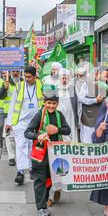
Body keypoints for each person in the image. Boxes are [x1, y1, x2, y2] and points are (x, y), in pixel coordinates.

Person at [24, 88, 71, 216]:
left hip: (55, 155)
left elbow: (67, 129)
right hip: (40, 155)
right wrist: (38, 136)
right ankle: (41, 209)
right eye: (49, 103)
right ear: (45, 103)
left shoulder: (59, 115)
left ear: (57, 104)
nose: (51, 106)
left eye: (54, 103)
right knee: (40, 181)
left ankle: (43, 202)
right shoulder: (39, 115)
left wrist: (58, 130)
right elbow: (27, 132)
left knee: (50, 180)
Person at [6, 66, 44, 185]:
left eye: (29, 77)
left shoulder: (41, 85)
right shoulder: (19, 87)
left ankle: (32, 169)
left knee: (33, 146)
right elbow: (13, 105)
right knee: (21, 145)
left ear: (35, 76)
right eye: (25, 76)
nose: (26, 79)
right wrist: (9, 122)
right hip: (21, 122)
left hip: (36, 122)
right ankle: (20, 172)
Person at [47, 68, 78, 206]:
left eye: (67, 77)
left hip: (69, 130)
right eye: (62, 77)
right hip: (55, 132)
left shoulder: (73, 90)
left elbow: (79, 106)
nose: (64, 79)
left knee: (63, 163)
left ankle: (58, 188)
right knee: (52, 162)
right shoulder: (54, 91)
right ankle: (50, 193)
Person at [78, 67, 108, 143]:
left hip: (101, 121)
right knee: (88, 143)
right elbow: (80, 98)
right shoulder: (87, 84)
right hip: (88, 121)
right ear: (98, 74)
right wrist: (95, 100)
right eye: (106, 76)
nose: (107, 79)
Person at [0, 70, 21, 166]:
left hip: (21, 114)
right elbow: (1, 97)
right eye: (13, 71)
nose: (15, 73)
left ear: (19, 73)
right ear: (11, 73)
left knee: (20, 137)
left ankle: (20, 156)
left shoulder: (23, 83)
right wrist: (4, 89)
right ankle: (11, 157)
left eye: (17, 71)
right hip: (9, 115)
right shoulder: (6, 84)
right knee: (9, 137)